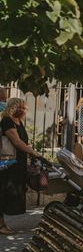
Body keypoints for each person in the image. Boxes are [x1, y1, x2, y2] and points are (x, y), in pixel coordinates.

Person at [0, 98, 43, 235]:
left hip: (17, 163)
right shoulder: (7, 121)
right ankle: (0, 225)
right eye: (21, 108)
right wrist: (33, 152)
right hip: (8, 164)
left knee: (10, 193)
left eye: (24, 108)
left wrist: (29, 154)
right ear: (13, 108)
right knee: (2, 193)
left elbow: (22, 142)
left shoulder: (18, 122)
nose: (24, 111)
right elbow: (17, 142)